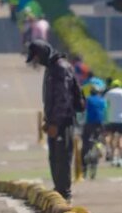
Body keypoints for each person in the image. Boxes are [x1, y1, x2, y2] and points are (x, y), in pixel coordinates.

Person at [25, 40, 84, 200]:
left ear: (42, 54)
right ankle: (60, 192)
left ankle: (64, 195)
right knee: (55, 159)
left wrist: (55, 124)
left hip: (63, 123)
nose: (36, 63)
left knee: (62, 159)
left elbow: (63, 99)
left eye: (36, 58)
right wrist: (48, 121)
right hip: (56, 122)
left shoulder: (60, 68)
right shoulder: (52, 67)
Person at [103, 79, 122, 167]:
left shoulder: (109, 93)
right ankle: (119, 158)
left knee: (111, 138)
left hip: (111, 118)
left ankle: (112, 156)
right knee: (121, 139)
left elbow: (105, 105)